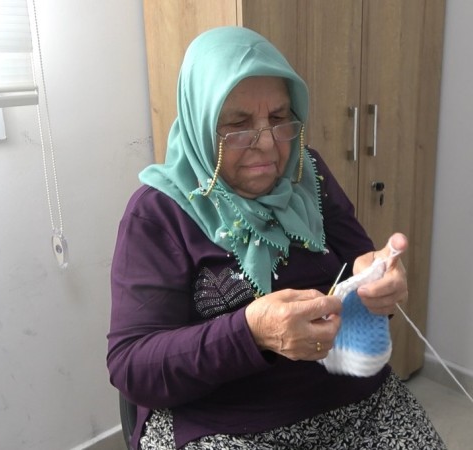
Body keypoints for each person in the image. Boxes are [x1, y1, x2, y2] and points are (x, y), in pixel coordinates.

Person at [107, 26, 447, 450]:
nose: (267, 144)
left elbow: (359, 260)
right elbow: (133, 366)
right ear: (200, 121)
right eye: (238, 124)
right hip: (227, 424)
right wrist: (251, 332)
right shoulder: (158, 214)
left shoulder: (307, 173)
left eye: (280, 118)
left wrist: (376, 282)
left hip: (357, 405)